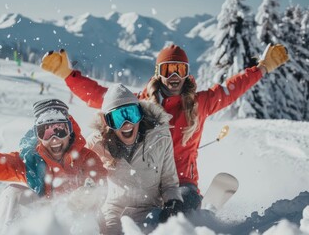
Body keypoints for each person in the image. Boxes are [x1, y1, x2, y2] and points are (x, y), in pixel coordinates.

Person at [40, 44, 288, 213]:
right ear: (159, 73)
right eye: (168, 69)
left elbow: (231, 89)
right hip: (145, 180)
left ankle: (193, 216)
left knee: (178, 205)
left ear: (186, 73)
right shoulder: (142, 103)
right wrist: (68, 74)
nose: (174, 76)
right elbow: (102, 97)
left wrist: (262, 67)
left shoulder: (200, 103)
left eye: (180, 69)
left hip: (182, 182)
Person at [0, 97, 107, 234]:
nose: (54, 139)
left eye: (60, 130)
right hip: (45, 225)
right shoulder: (31, 160)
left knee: (87, 215)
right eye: (45, 132)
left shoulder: (86, 158)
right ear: (38, 136)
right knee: (13, 193)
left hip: (77, 226)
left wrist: (88, 193)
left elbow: (100, 184)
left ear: (70, 130)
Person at [86, 83, 183, 234]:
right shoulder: (97, 144)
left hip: (150, 210)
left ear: (140, 114)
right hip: (114, 212)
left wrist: (172, 203)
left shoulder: (160, 138)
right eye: (117, 118)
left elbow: (169, 181)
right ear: (107, 122)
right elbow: (80, 170)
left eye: (131, 114)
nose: (127, 124)